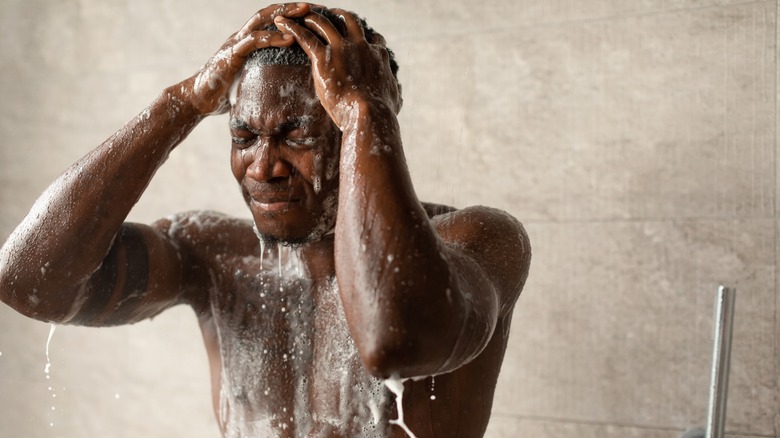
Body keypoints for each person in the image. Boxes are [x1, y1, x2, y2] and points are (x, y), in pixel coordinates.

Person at [0, 3, 530, 437]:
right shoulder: (213, 257)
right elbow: (29, 282)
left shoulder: (476, 241)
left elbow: (392, 339)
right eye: (244, 137)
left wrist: (367, 111)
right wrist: (183, 102)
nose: (263, 167)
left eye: (297, 135)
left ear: (356, 135)